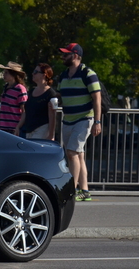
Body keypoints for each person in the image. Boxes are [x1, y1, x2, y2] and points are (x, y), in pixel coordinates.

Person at [57, 43, 102, 202]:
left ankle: (71, 190)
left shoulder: (88, 73)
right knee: (79, 155)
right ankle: (85, 190)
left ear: (75, 55)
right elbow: (59, 95)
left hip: (84, 119)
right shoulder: (63, 75)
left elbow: (97, 98)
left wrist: (97, 121)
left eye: (66, 54)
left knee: (72, 153)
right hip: (68, 119)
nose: (63, 57)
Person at [16, 63, 57, 140]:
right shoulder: (32, 91)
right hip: (28, 130)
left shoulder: (50, 94)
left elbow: (52, 115)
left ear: (44, 75)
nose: (33, 74)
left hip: (42, 129)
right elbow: (26, 111)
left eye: (35, 72)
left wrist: (51, 135)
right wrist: (18, 126)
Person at [0, 61, 28, 134]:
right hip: (3, 127)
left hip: (13, 128)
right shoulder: (5, 87)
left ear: (13, 74)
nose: (4, 75)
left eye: (6, 73)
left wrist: (18, 127)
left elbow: (24, 111)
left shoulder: (20, 89)